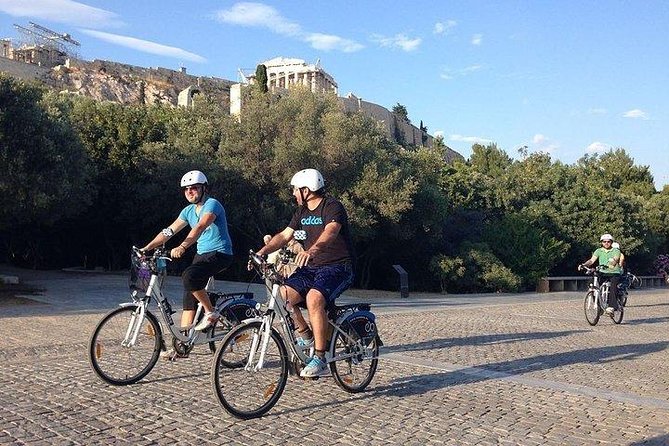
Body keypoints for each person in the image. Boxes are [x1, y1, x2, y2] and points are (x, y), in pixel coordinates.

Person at [255, 168, 354, 378]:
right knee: (282, 296)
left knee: (314, 299)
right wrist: (262, 252)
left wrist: (312, 250)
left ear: (306, 190)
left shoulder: (332, 206)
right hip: (311, 268)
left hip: (337, 267)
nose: (293, 194)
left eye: (295, 189)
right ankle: (306, 335)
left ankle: (320, 357)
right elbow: (284, 235)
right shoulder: (301, 212)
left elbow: (331, 231)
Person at [141, 170, 234, 356]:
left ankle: (211, 312)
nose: (190, 192)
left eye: (194, 188)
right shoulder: (188, 211)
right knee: (188, 293)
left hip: (221, 253)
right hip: (202, 254)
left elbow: (200, 226)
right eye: (187, 189)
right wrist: (147, 248)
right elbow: (169, 231)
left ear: (204, 188)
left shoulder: (212, 204)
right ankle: (182, 344)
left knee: (189, 276)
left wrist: (183, 246)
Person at [579, 233, 622, 314]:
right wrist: (584, 265)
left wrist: (611, 264)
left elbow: (615, 259)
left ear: (611, 242)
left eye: (608, 241)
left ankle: (611, 306)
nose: (606, 243)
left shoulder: (616, 251)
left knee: (613, 286)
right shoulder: (598, 251)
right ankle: (599, 305)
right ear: (601, 242)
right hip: (602, 272)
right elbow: (592, 260)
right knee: (592, 285)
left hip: (613, 272)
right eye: (604, 241)